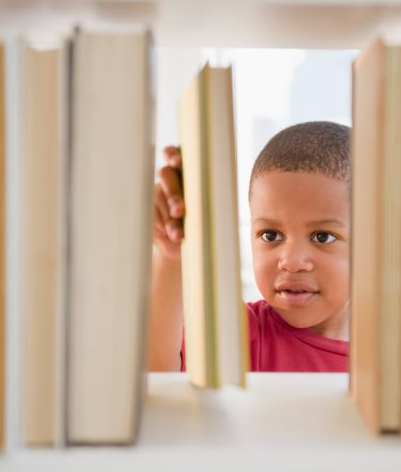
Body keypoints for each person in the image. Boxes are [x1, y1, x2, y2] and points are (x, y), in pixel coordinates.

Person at [149, 121, 350, 372]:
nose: (291, 261)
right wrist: (170, 257)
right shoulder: (238, 334)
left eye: (322, 237)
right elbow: (156, 374)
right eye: (270, 235)